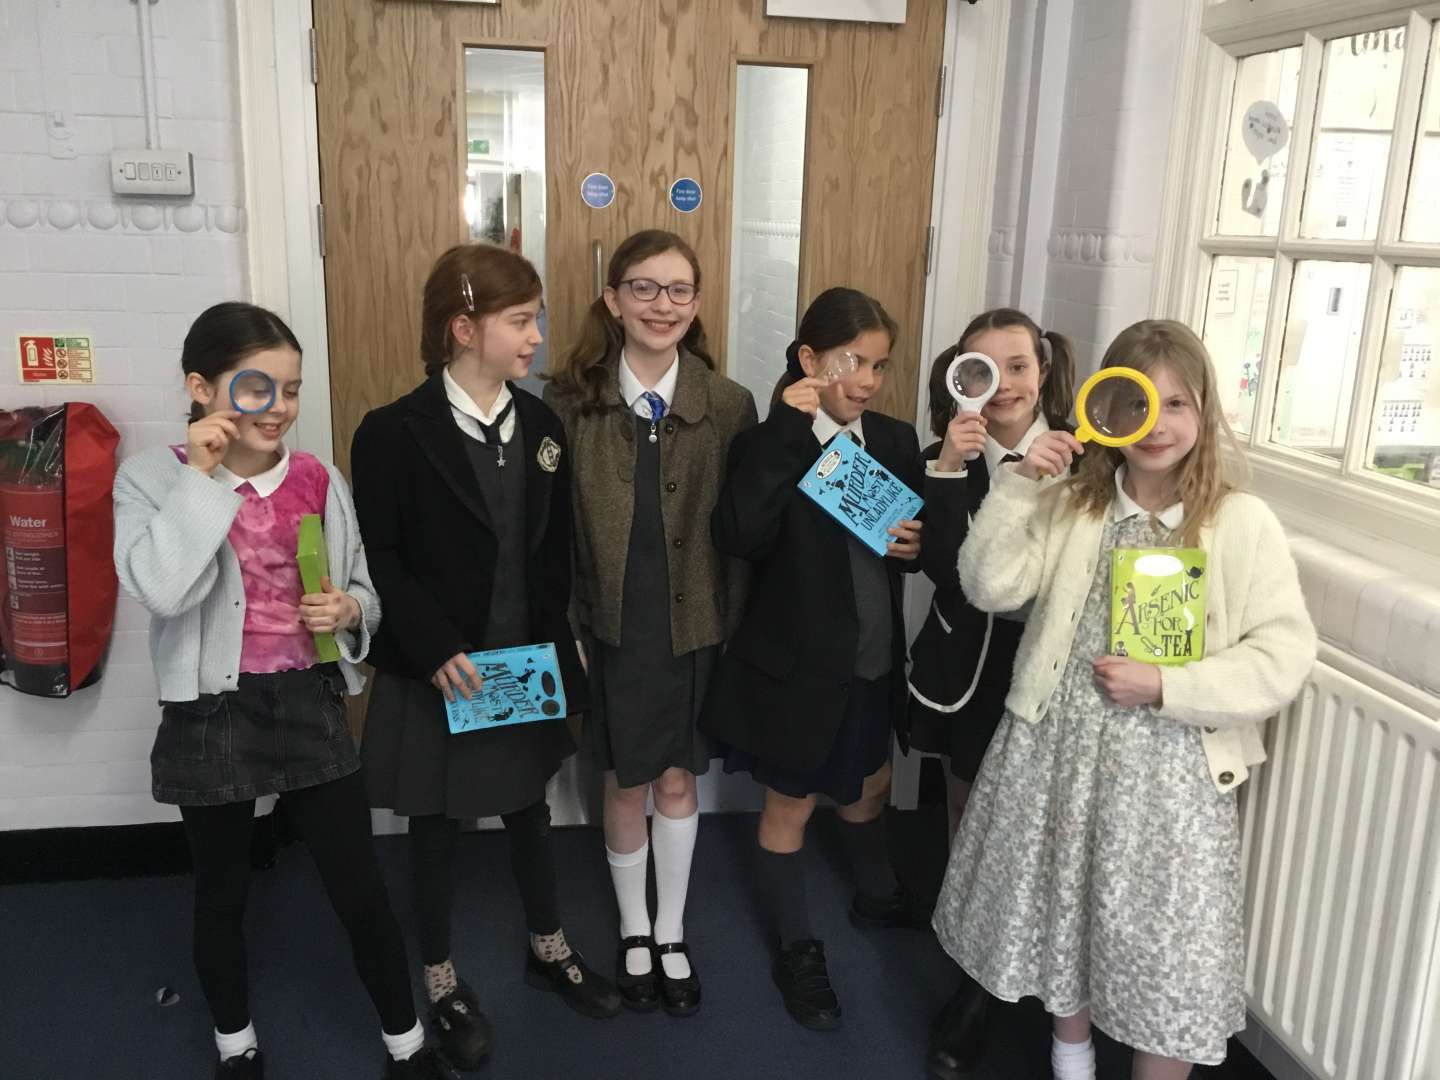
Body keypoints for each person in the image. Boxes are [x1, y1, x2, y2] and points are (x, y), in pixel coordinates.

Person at [930, 320, 1317, 1080]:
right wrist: (1019, 486)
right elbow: (988, 585)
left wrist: (1170, 685)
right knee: (1064, 917)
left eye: (1178, 405)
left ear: (1205, 412)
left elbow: (1283, 655)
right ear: (1106, 408)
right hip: (1057, 753)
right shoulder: (1075, 502)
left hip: (1168, 780)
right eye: (1139, 403)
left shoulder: (1238, 522)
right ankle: (1070, 1056)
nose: (1158, 424)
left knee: (1166, 955)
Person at [113, 302, 450, 1079]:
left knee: (360, 888)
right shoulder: (152, 479)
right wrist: (202, 480)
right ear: (201, 388)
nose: (279, 408)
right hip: (210, 712)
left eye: (291, 390)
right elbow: (161, 587)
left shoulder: (317, 478)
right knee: (222, 891)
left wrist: (350, 610)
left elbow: (363, 587)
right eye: (256, 388)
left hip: (306, 700)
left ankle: (406, 1044)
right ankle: (236, 1046)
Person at [352, 244, 620, 1072]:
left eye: (535, 319)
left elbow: (552, 555)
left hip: (522, 657)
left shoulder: (541, 427)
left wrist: (562, 651)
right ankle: (440, 978)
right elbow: (383, 557)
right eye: (520, 321)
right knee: (434, 826)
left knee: (529, 809)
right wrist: (433, 646)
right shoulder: (393, 432)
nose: (537, 336)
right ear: (462, 328)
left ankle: (549, 946)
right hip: (440, 665)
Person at [544, 229, 757, 1016]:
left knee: (677, 778)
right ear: (613, 299)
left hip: (695, 626)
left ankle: (672, 930)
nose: (660, 305)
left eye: (678, 290)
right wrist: (568, 627)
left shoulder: (729, 404)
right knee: (624, 779)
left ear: (696, 304)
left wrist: (737, 630)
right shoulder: (569, 401)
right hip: (611, 627)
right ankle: (634, 927)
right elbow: (551, 534)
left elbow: (744, 530)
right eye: (643, 287)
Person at [704, 286, 926, 1032]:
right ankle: (797, 946)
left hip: (873, 656)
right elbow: (738, 535)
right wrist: (783, 434)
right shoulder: (772, 441)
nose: (866, 380)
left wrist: (916, 544)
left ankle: (878, 892)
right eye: (850, 361)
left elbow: (909, 541)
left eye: (879, 365)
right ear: (809, 360)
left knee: (870, 783)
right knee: (791, 803)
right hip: (799, 669)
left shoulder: (893, 440)